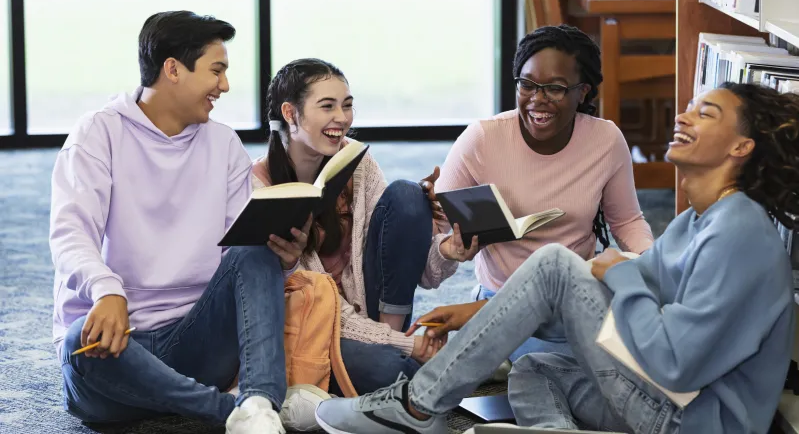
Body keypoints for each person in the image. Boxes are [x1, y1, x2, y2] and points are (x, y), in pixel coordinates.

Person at [314, 82, 799, 434]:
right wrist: (477, 313)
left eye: (705, 114)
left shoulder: (739, 233)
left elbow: (676, 365)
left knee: (555, 263)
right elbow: (604, 294)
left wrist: (627, 275)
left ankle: (417, 407)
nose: (682, 117)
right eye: (689, 108)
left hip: (690, 419)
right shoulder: (700, 220)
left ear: (742, 146)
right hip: (665, 399)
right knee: (536, 368)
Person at [51, 11, 289, 434]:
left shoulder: (223, 143)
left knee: (256, 252)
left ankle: (257, 401)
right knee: (77, 344)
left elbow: (243, 249)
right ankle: (236, 414)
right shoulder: (97, 134)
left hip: (197, 341)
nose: (225, 86)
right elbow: (70, 235)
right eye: (217, 71)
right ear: (173, 69)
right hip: (117, 350)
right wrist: (107, 291)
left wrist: (280, 251)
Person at [423, 25, 655, 359]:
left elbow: (627, 221)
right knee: (556, 361)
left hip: (574, 294)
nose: (538, 99)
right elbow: (433, 242)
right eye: (527, 85)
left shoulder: (606, 140)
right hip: (499, 295)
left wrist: (651, 265)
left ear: (584, 92)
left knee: (630, 349)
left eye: (555, 89)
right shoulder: (483, 139)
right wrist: (450, 249)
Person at [251, 58, 455, 396]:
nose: (342, 118)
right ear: (290, 114)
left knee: (407, 194)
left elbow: (417, 273)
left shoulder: (358, 165)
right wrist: (403, 346)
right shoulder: (260, 187)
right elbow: (306, 304)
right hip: (317, 328)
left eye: (347, 106)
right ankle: (406, 367)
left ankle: (401, 360)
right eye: (327, 106)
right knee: (392, 372)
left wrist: (447, 250)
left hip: (380, 321)